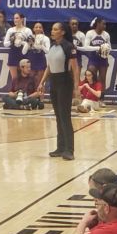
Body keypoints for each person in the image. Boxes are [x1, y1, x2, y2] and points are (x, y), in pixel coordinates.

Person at [37, 22, 79, 161]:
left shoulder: (69, 47)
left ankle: (69, 150)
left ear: (63, 32)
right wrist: (42, 82)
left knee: (65, 116)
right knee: (58, 116)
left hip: (65, 82)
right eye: (52, 29)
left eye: (55, 29)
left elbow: (75, 68)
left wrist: (76, 87)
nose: (52, 31)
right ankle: (60, 148)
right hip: (53, 82)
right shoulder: (52, 46)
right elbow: (49, 67)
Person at [4, 13, 33, 84]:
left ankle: (25, 90)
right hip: (13, 54)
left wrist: (24, 43)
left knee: (25, 76)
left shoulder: (27, 30)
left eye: (17, 18)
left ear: (22, 19)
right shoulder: (10, 30)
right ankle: (16, 90)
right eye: (14, 18)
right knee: (14, 78)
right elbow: (5, 44)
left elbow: (31, 44)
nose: (15, 20)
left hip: (24, 54)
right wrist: (12, 41)